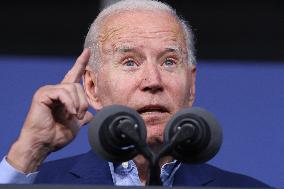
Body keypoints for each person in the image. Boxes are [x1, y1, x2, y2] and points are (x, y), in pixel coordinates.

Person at [0, 0, 270, 187]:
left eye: (168, 61)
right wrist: (30, 152)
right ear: (92, 88)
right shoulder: (41, 184)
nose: (152, 81)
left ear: (191, 87)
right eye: (130, 62)